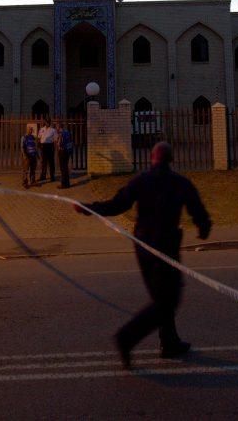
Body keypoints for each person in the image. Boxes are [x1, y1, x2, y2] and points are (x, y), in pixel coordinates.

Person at [75, 142, 211, 368]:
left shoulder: (140, 181)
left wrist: (88, 208)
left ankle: (169, 342)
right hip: (165, 248)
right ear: (171, 160)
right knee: (167, 300)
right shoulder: (180, 183)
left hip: (143, 248)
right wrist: (203, 228)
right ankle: (126, 338)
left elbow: (118, 204)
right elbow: (198, 210)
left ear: (151, 159)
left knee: (163, 297)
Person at [55, 120, 74, 189]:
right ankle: (67, 183)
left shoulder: (61, 134)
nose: (56, 128)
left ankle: (63, 184)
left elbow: (59, 143)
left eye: (56, 126)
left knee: (63, 169)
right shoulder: (67, 132)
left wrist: (58, 144)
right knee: (65, 168)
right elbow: (71, 142)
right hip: (68, 152)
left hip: (62, 152)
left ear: (59, 127)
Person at [37, 118, 57, 183]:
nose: (47, 123)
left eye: (48, 122)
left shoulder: (53, 130)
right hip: (43, 147)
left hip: (50, 146)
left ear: (50, 123)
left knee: (51, 162)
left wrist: (54, 148)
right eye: (46, 122)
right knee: (43, 162)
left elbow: (55, 139)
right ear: (45, 123)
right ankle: (43, 176)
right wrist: (39, 145)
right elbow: (39, 138)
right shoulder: (41, 129)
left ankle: (52, 176)